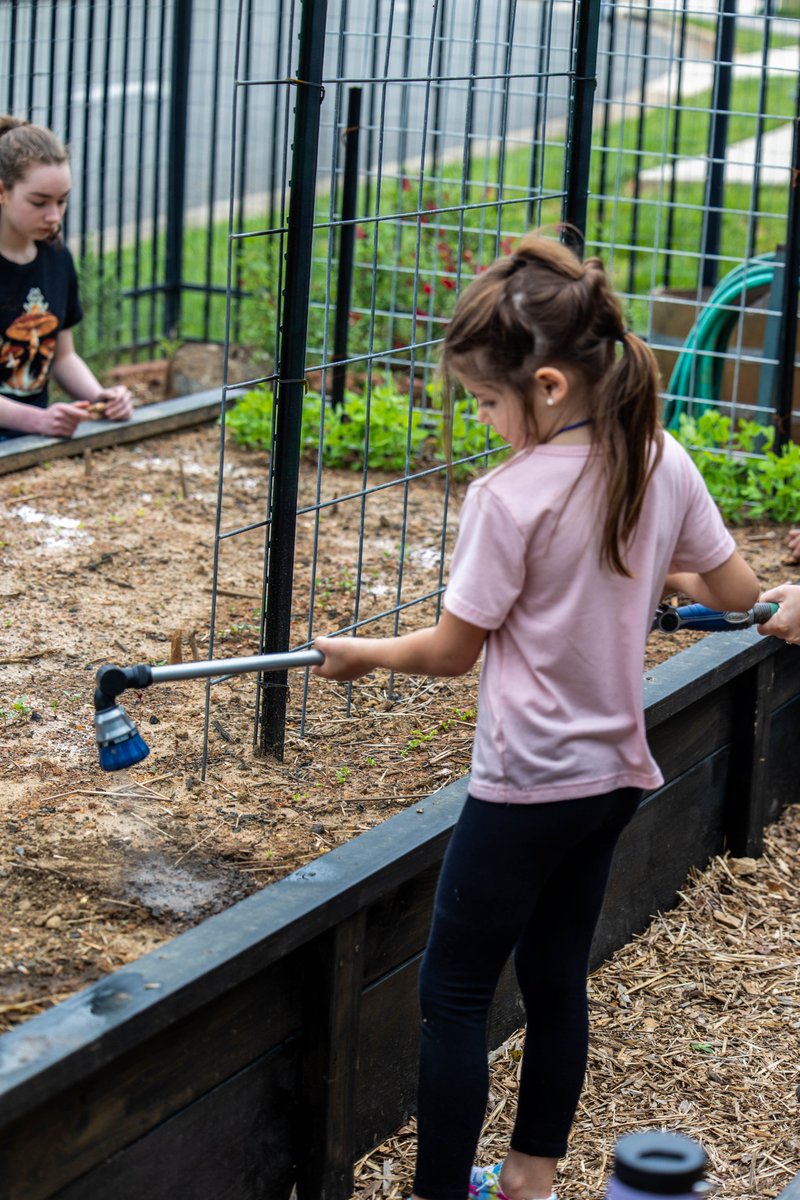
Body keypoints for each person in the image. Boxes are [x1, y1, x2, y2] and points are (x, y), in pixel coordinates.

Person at [313, 233, 759, 1200]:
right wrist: (652, 571)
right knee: (556, 976)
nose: (484, 419)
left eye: (485, 400)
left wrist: (358, 655)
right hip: (613, 779)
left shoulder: (507, 500)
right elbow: (736, 586)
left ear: (549, 386)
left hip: (525, 785)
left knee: (453, 995)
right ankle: (529, 1177)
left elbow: (448, 651)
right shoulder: (658, 457)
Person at [0, 116, 133, 440]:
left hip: (31, 443)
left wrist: (100, 397)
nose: (54, 216)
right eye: (39, 202)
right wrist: (37, 420)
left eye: (62, 201)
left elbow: (62, 356)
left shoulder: (57, 257)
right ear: (2, 191)